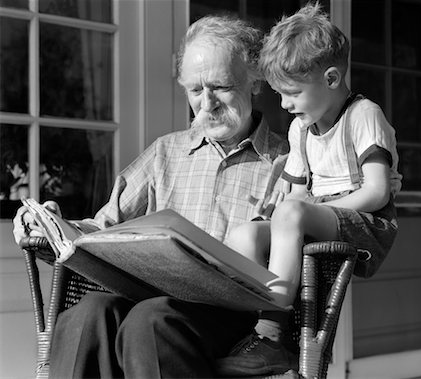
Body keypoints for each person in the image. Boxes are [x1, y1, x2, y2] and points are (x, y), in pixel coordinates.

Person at [13, 15, 291, 378]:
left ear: (254, 80)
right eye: (195, 90)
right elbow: (102, 228)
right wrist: (52, 227)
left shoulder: (286, 162)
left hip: (235, 322)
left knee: (151, 320)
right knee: (86, 314)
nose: (207, 103)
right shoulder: (165, 153)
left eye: (220, 86)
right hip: (149, 299)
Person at [216, 3, 402, 376]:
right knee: (246, 231)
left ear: (331, 79)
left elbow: (378, 191)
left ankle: (271, 330)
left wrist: (313, 209)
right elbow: (298, 196)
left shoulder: (363, 115)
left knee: (291, 212)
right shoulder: (301, 129)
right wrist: (282, 209)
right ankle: (249, 330)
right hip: (318, 212)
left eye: (292, 93)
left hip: (367, 222)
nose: (284, 105)